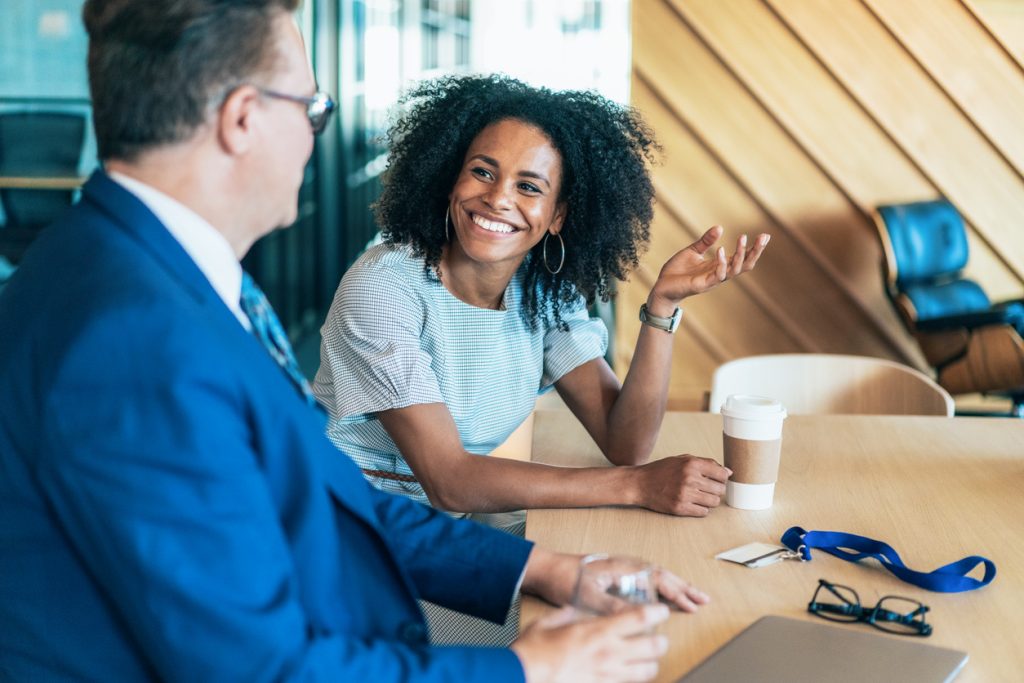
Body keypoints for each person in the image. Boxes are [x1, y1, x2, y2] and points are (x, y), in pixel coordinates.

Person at [0, 2, 711, 681]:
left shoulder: (135, 267)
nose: (319, 133)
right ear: (243, 119)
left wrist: (549, 570)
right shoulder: (134, 342)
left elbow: (318, 489)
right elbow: (259, 669)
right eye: (314, 109)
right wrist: (530, 667)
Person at [313, 75, 770, 532]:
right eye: (482, 172)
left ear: (557, 216)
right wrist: (636, 486)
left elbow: (624, 440)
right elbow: (449, 479)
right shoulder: (382, 290)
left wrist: (663, 307)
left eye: (528, 187)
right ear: (450, 181)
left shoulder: (540, 290)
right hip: (358, 533)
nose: (497, 199)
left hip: (450, 527)